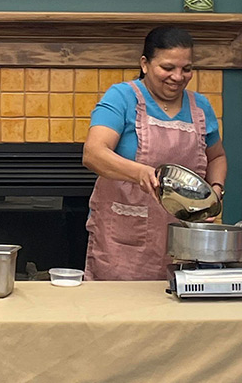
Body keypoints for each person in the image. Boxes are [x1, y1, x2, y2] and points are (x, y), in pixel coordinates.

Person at [82, 26, 227, 280]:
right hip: (124, 242)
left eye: (187, 69)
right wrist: (140, 173)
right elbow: (93, 153)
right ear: (145, 64)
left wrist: (215, 192)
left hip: (184, 240)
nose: (178, 76)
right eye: (168, 68)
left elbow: (217, 157)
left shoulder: (200, 107)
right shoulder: (122, 97)